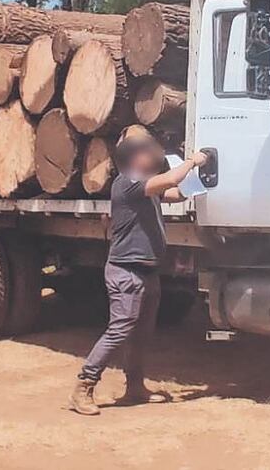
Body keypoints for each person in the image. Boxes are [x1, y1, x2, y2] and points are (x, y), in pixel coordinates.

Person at [69, 134, 208, 415]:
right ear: (133, 159)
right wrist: (193, 161)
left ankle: (134, 387)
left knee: (140, 334)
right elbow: (169, 181)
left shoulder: (146, 187)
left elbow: (176, 192)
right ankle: (84, 386)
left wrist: (204, 177)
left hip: (146, 271)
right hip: (126, 273)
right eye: (146, 152)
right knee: (120, 329)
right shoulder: (128, 183)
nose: (153, 155)